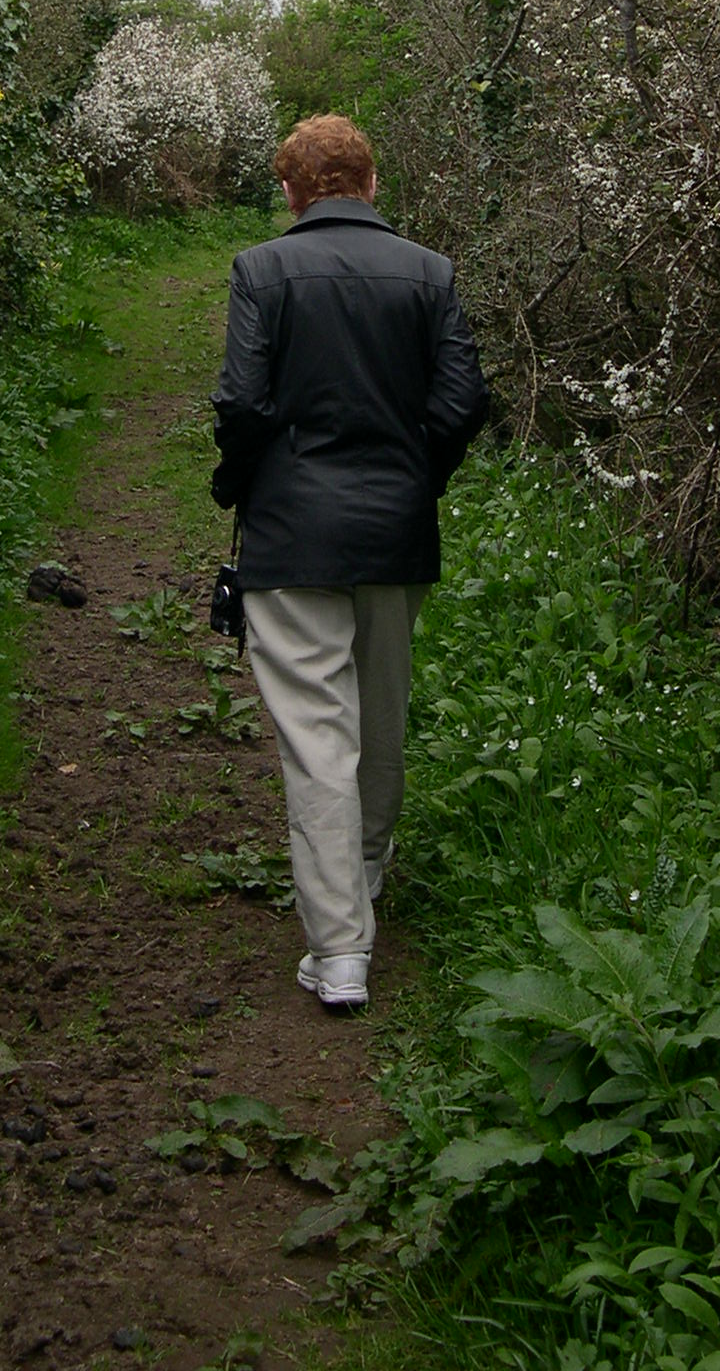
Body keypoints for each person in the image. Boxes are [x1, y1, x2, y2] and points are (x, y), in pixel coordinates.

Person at [210, 114, 489, 1010]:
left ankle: (339, 951)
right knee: (380, 718)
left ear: (291, 193)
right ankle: (363, 878)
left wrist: (241, 489)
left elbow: (244, 404)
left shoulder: (261, 269)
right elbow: (461, 404)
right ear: (372, 185)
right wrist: (416, 480)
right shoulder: (431, 273)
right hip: (395, 528)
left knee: (318, 739)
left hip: (292, 534)